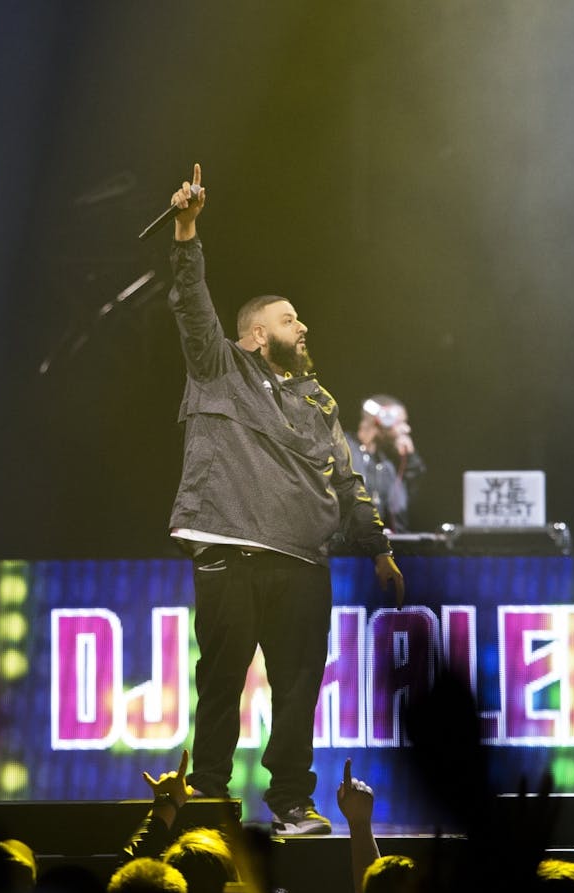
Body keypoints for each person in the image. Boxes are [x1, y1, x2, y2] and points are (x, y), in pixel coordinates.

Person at [162, 163, 405, 837]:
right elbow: (191, 306)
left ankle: (293, 802)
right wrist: (187, 231)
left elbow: (348, 477)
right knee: (221, 685)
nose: (304, 324)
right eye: (288, 317)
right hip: (232, 551)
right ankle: (209, 798)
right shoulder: (219, 367)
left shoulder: (318, 400)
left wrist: (379, 547)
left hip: (303, 558)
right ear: (254, 334)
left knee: (298, 690)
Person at [344, 395, 426, 534]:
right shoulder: (343, 449)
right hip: (343, 548)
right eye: (401, 422)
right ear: (383, 420)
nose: (406, 429)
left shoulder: (385, 464)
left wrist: (410, 458)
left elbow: (402, 508)